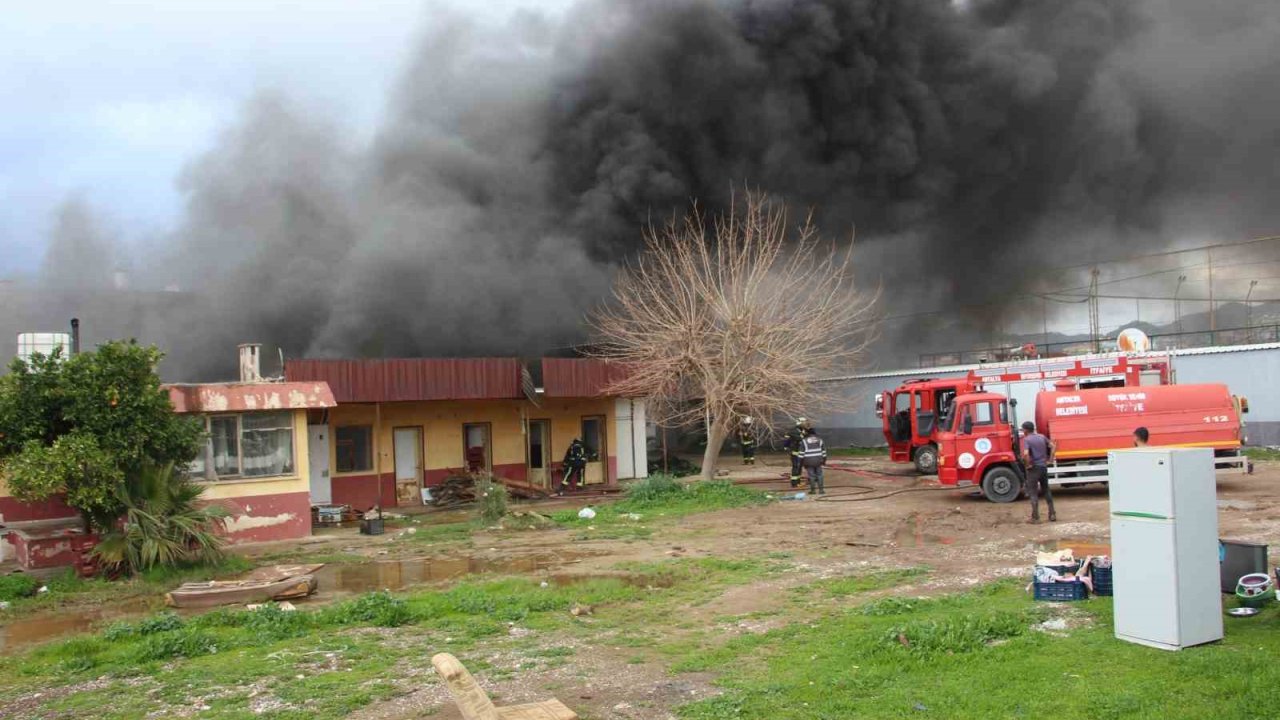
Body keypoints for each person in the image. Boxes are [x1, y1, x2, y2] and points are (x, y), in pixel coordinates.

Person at [1021, 421, 1056, 523]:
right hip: (1043, 467)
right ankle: (1052, 514)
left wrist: (1028, 465)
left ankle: (1035, 518)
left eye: (1023, 429)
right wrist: (1050, 459)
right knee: (1046, 490)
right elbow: (1053, 446)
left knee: (1033, 492)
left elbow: (1026, 454)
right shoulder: (1042, 437)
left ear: (1026, 430)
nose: (1023, 431)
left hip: (1034, 469)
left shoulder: (1027, 440)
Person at [800, 426, 828, 495]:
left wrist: (801, 463)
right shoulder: (820, 440)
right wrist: (824, 461)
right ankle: (821, 490)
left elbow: (801, 454)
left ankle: (813, 491)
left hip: (808, 461)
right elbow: (824, 452)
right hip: (818, 460)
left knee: (811, 475)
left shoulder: (804, 441)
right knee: (820, 475)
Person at [784, 418, 808, 488]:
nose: (805, 424)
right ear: (799, 423)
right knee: (796, 467)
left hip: (800, 453)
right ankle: (794, 483)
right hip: (795, 453)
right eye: (803, 422)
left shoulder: (801, 430)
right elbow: (800, 439)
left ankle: (798, 482)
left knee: (799, 467)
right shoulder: (794, 431)